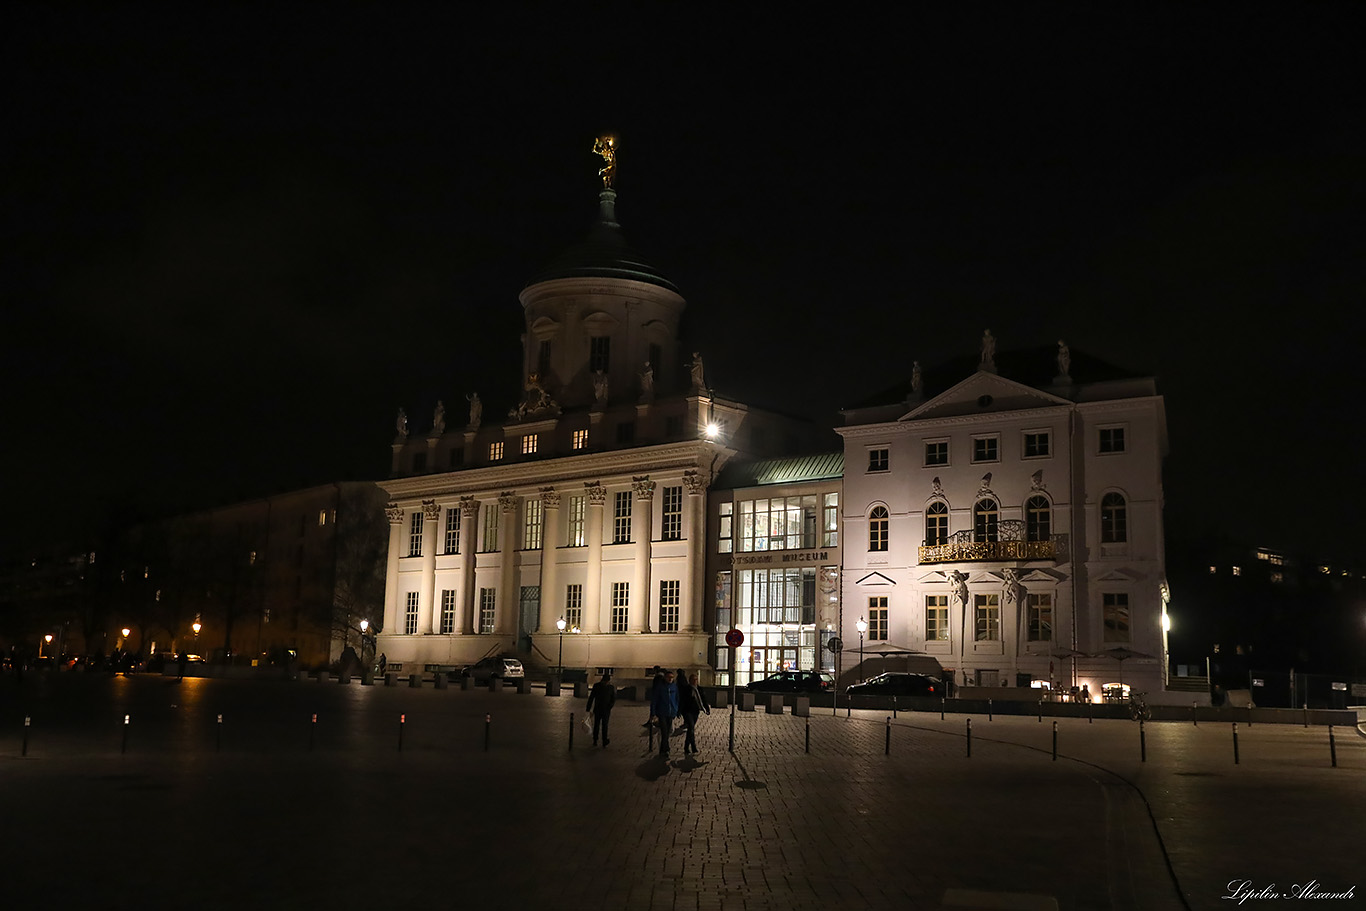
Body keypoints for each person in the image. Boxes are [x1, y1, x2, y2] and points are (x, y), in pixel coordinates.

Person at [649, 670, 679, 757]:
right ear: (665, 678)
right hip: (661, 712)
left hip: (671, 712)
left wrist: (676, 709)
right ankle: (666, 749)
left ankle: (663, 749)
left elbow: (677, 698)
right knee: (664, 731)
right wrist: (653, 712)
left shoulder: (674, 687)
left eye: (672, 677)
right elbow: (654, 700)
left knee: (669, 731)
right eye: (669, 677)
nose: (670, 679)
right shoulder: (660, 687)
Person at [679, 671, 710, 754]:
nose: (694, 681)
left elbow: (703, 699)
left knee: (691, 729)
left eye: (696, 679)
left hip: (695, 711)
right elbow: (682, 700)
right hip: (687, 711)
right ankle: (689, 746)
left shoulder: (699, 689)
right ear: (689, 680)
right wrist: (679, 711)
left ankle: (691, 746)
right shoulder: (686, 689)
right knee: (691, 727)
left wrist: (706, 708)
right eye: (693, 679)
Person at [586, 673, 616, 747]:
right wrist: (610, 706)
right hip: (604, 709)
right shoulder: (610, 687)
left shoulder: (597, 686)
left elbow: (591, 698)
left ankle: (597, 740)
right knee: (603, 725)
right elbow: (613, 699)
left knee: (598, 724)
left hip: (599, 708)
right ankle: (603, 740)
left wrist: (588, 708)